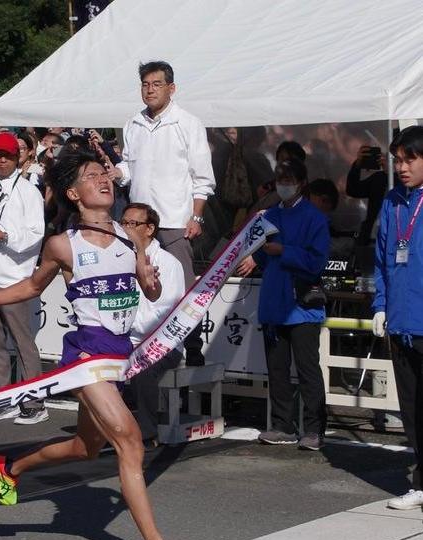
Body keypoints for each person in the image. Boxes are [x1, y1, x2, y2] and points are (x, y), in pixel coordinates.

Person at [0, 149, 205, 540]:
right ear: (73, 192)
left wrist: (152, 281)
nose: (103, 179)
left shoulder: (129, 237)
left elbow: (150, 291)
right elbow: (31, 285)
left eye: (104, 172)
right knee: (130, 441)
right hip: (85, 356)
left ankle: (9, 467)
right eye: (91, 175)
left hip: (120, 355)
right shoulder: (63, 244)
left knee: (86, 448)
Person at [113, 60, 215, 366]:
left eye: (156, 84)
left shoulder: (187, 122)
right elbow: (128, 167)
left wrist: (195, 216)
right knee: (139, 286)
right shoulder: (133, 123)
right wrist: (115, 172)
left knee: (181, 289)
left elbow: (203, 177)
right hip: (136, 222)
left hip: (173, 221)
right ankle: (138, 349)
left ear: (171, 88)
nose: (149, 90)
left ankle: (191, 349)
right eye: (145, 84)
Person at [237, 159, 330, 451]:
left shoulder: (315, 218)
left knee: (307, 370)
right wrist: (256, 257)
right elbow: (264, 254)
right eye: (279, 178)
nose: (282, 183)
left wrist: (283, 251)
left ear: (301, 182)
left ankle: (314, 429)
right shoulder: (270, 215)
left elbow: (317, 262)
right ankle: (282, 425)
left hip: (302, 306)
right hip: (274, 304)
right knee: (277, 370)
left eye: (288, 179)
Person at [0, 132, 48, 425]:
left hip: (15, 277)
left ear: (19, 158)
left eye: (8, 156)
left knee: (22, 341)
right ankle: (3, 398)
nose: (2, 160)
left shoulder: (28, 191)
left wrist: (7, 237)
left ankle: (34, 401)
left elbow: (36, 234)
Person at [373, 125, 423, 510]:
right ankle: (420, 480)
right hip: (402, 321)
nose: (402, 167)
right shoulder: (392, 200)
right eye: (398, 160)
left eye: (411, 159)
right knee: (410, 405)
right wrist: (381, 305)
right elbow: (383, 258)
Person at [123, 203, 185, 445]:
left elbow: (166, 313)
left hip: (161, 342)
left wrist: (130, 329)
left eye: (133, 224)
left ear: (150, 229)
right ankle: (108, 429)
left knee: (143, 368)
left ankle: (147, 433)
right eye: (124, 223)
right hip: (125, 337)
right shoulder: (119, 258)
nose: (126, 229)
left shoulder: (169, 264)